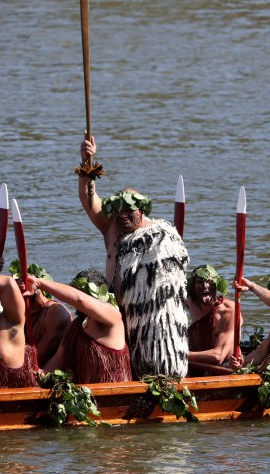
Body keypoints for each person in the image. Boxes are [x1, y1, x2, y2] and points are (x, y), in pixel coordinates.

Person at [79, 138, 190, 378]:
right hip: (117, 319)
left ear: (142, 210)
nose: (123, 216)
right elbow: (88, 198)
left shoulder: (161, 234)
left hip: (152, 322)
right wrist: (86, 161)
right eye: (118, 210)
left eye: (129, 211)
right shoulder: (111, 229)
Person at [38, 269, 132, 383]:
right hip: (83, 395)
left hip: (114, 393)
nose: (80, 306)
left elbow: (79, 299)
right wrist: (40, 377)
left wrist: (39, 283)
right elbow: (58, 360)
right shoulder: (76, 326)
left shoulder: (112, 317)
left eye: (85, 294)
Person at [10, 260, 73, 367]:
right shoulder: (16, 312)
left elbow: (34, 360)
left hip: (46, 373)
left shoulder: (56, 314)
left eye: (26, 280)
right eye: (18, 281)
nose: (23, 285)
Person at [185, 265, 240, 376]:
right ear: (192, 287)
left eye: (210, 282)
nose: (205, 286)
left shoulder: (228, 310)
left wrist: (178, 353)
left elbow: (218, 356)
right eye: (200, 282)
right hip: (194, 365)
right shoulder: (190, 302)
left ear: (217, 284)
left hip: (221, 369)